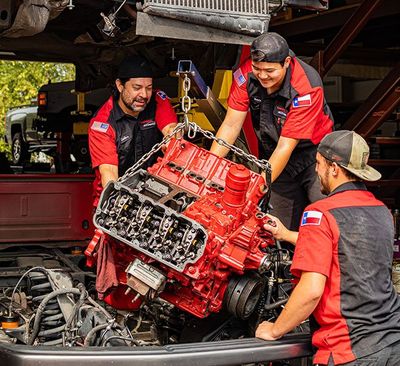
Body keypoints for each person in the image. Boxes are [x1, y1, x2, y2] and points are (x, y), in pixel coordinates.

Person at [256, 130, 400, 365]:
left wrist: (275, 330)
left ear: (334, 168)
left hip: (349, 350)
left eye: (319, 163)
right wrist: (284, 234)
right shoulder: (381, 211)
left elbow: (311, 291)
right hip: (392, 343)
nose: (315, 170)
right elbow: (346, 249)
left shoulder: (318, 213)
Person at [210, 32, 334, 230]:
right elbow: (231, 125)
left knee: (322, 215)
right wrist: (209, 168)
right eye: (257, 68)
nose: (262, 76)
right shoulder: (245, 75)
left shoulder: (306, 87)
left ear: (286, 62)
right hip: (274, 154)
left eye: (269, 70)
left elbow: (286, 146)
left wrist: (256, 187)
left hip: (313, 155)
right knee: (277, 224)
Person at [88, 55, 178, 207]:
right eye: (137, 88)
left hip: (155, 196)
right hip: (113, 200)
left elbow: (171, 128)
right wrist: (120, 204)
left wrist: (172, 140)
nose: (144, 95)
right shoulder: (102, 124)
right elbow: (109, 173)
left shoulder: (157, 100)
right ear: (120, 85)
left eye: (148, 88)